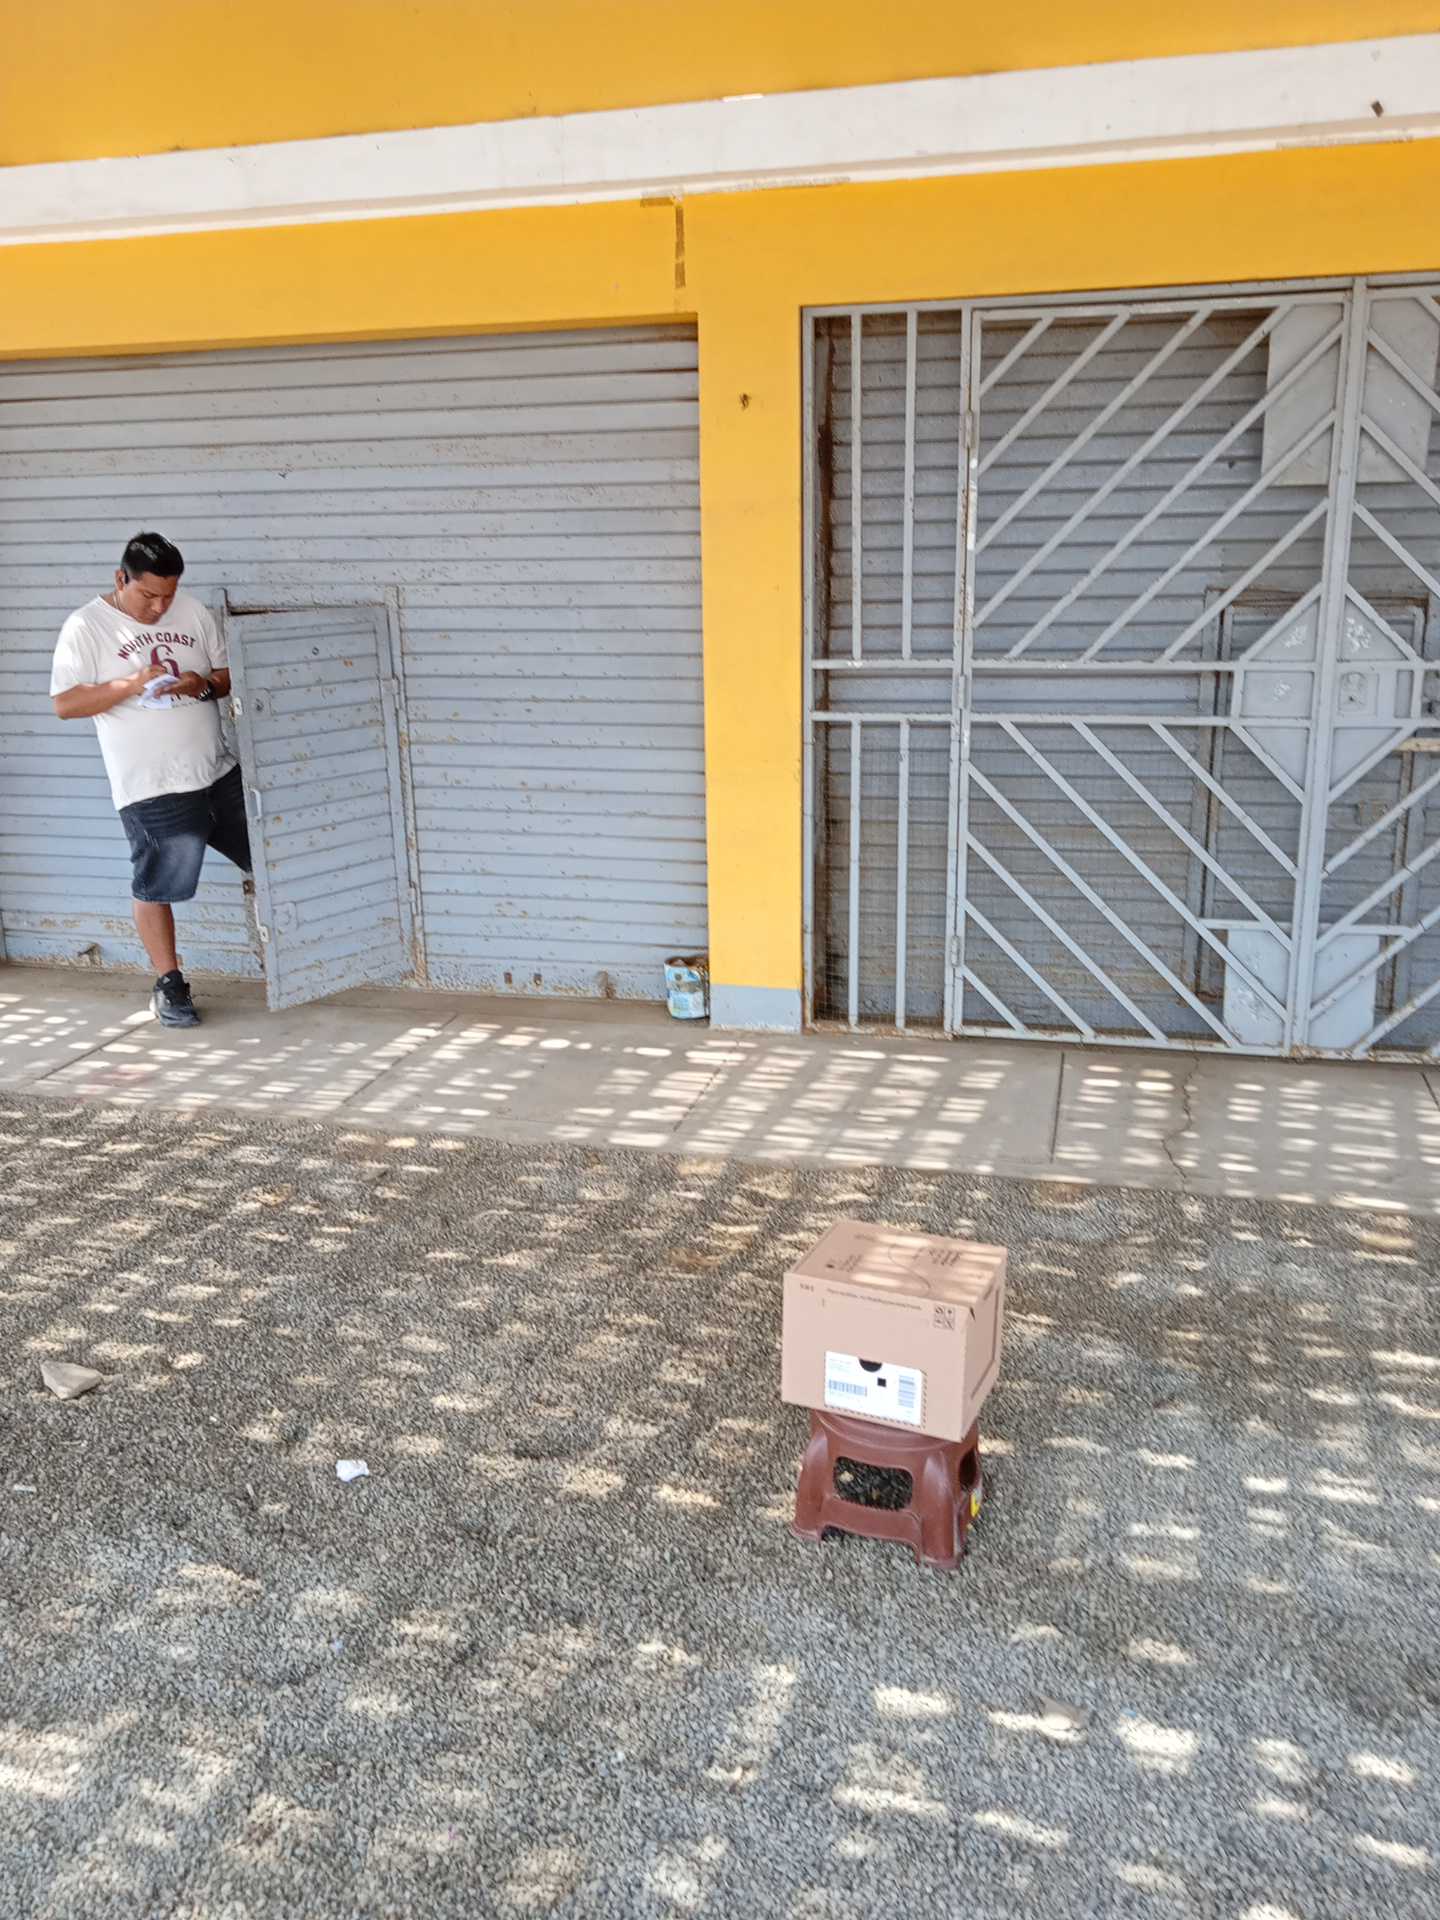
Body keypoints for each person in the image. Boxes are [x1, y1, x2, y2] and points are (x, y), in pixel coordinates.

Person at [50, 531, 252, 1029]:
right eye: (149, 595)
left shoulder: (193, 611)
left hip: (217, 771)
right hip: (152, 786)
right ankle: (169, 985)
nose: (161, 607)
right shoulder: (86, 627)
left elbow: (227, 675)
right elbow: (66, 704)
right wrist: (130, 684)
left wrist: (202, 685)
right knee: (156, 885)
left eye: (169, 594)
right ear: (121, 579)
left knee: (274, 857)